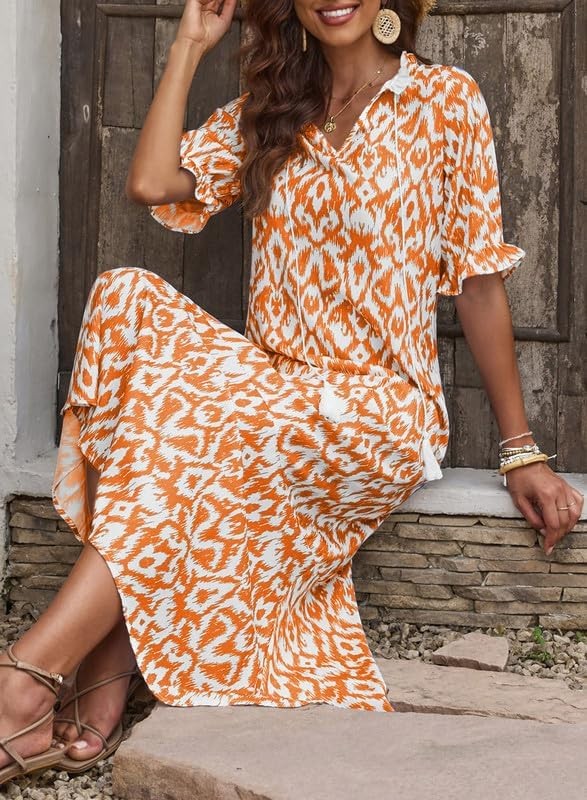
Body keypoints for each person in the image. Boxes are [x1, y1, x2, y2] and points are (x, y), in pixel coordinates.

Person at [1, 0, 583, 786]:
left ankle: (31, 678)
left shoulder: (445, 100)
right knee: (125, 298)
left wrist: (520, 451)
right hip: (269, 386)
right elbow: (152, 182)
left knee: (203, 422)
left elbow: (477, 284)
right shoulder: (273, 109)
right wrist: (189, 44)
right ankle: (107, 667)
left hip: (378, 407)